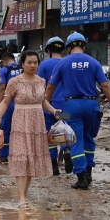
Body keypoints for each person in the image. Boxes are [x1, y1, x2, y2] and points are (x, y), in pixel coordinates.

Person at [46, 32, 110, 190]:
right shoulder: (94, 62)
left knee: (75, 140)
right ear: (83, 46)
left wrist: (45, 102)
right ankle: (89, 173)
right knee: (89, 139)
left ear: (68, 48)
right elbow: (105, 86)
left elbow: (51, 86)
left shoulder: (63, 63)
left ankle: (81, 178)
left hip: (72, 106)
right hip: (91, 105)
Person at [0, 51, 58, 209]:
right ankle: (21, 198)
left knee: (30, 160)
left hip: (37, 124)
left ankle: (24, 196)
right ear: (22, 64)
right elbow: (5, 102)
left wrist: (55, 112)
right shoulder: (15, 81)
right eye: (29, 62)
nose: (33, 65)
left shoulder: (41, 81)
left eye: (35, 62)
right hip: (21, 122)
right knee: (21, 159)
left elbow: (43, 102)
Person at [37, 36, 66, 176]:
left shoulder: (44, 65)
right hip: (66, 107)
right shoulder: (67, 63)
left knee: (50, 133)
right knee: (65, 131)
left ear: (48, 50)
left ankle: (54, 166)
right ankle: (66, 152)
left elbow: (40, 85)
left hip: (49, 106)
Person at [0, 52, 21, 164]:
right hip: (23, 103)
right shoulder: (23, 67)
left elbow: (2, 87)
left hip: (10, 102)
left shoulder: (4, 70)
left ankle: (3, 156)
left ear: (3, 61)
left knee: (6, 129)